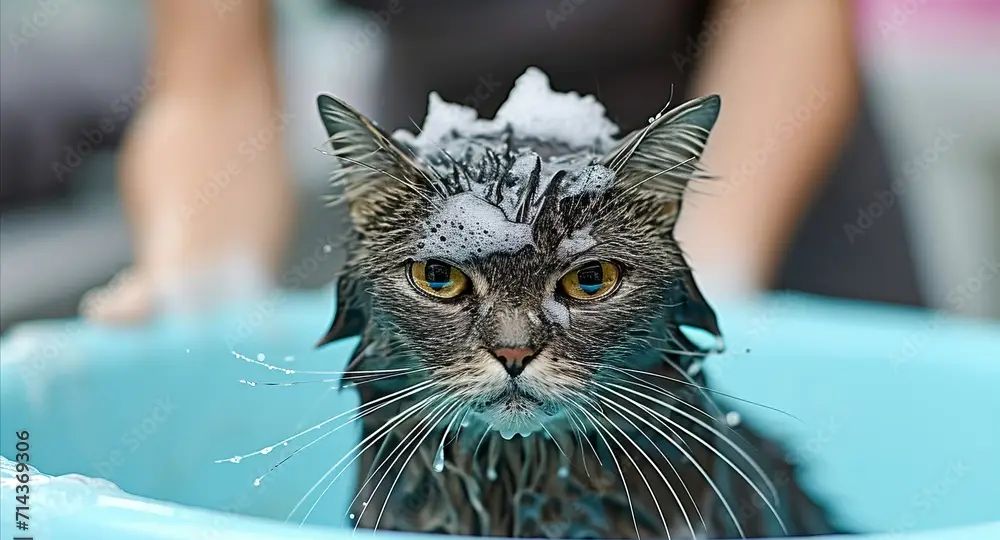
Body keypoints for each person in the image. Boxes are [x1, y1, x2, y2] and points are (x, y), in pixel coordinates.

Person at [81, 0, 924, 324]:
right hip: (451, 160)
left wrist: (702, 275)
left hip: (738, 155)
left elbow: (787, 17)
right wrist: (197, 278)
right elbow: (209, 85)